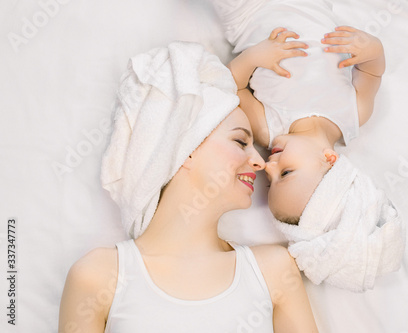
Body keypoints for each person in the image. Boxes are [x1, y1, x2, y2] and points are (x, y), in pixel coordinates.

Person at [58, 42, 318, 332]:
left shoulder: (273, 270)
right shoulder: (97, 276)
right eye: (240, 142)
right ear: (186, 148)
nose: (259, 161)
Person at [213, 0, 405, 292]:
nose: (268, 165)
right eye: (286, 173)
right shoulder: (355, 114)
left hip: (250, 11)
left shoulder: (268, 126)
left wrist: (253, 57)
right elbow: (371, 72)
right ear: (329, 160)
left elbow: (231, 85)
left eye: (270, 180)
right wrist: (372, 49)